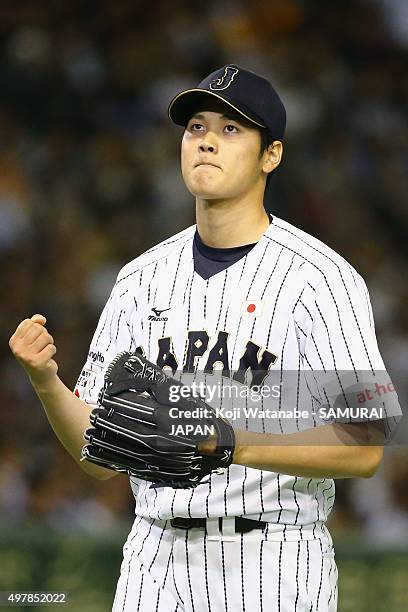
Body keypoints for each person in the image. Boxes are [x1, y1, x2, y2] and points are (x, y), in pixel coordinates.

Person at [10, 65, 395, 611]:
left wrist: (229, 442)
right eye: (196, 126)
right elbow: (100, 455)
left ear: (272, 155)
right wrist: (47, 383)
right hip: (155, 555)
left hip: (274, 558)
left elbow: (367, 444)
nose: (208, 140)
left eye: (232, 129)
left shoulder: (320, 278)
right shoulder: (140, 278)